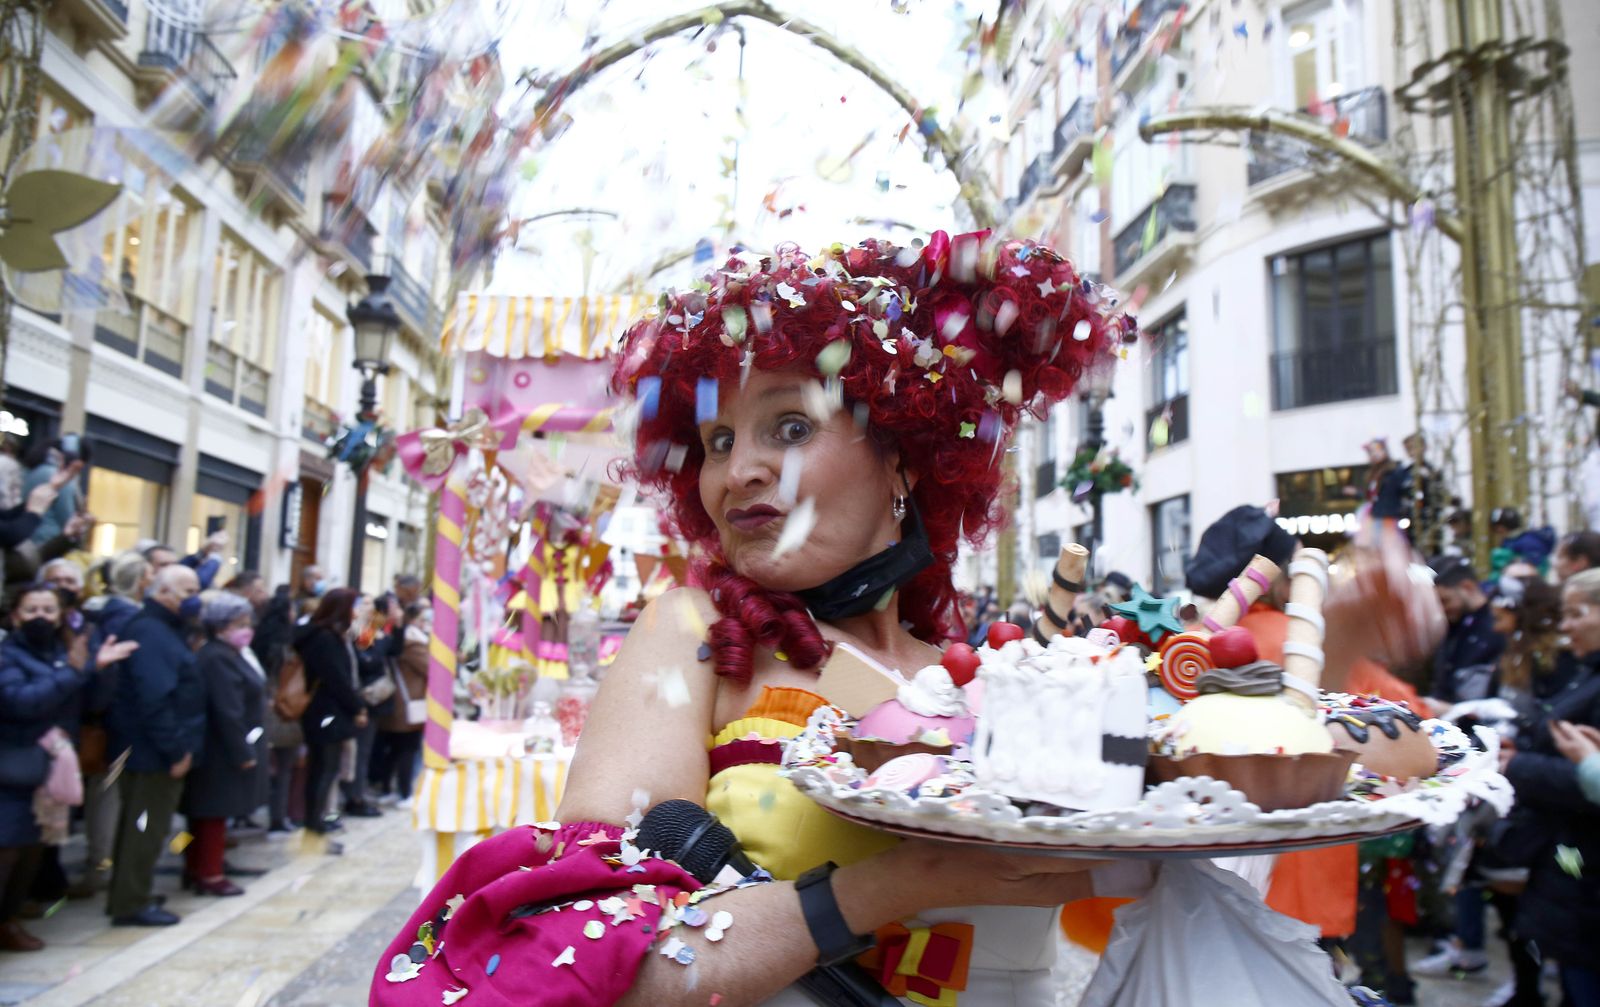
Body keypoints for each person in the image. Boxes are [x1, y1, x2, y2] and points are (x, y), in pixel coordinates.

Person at [370, 235, 1445, 1005]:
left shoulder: (1010, 683)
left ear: (902, 459)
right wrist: (898, 883)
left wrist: (1336, 637)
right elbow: (599, 960)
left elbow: (1250, 761)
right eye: (712, 440)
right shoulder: (694, 629)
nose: (736, 469)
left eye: (787, 423)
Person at [1185, 505, 1438, 1004]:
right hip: (1303, 877)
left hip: (1195, 883)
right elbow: (1410, 725)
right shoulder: (1305, 643)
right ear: (1283, 579)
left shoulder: (1184, 650)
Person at [0, 583, 135, 951]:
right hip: (13, 766)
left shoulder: (65, 652)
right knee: (7, 848)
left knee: (33, 847)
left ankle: (8, 920)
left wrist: (100, 669)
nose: (40, 617)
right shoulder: (7, 655)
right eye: (31, 610)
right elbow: (21, 702)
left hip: (53, 767)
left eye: (48, 610)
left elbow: (90, 702)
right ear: (15, 616)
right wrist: (76, 671)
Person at [1500, 568, 1600, 1006]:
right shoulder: (1586, 673)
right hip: (1574, 871)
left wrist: (1518, 765)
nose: (1565, 626)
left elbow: (1585, 781)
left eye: (1577, 613)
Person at [105, 564, 203, 926]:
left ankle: (133, 892)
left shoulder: (163, 630)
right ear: (163, 593)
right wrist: (175, 750)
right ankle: (131, 902)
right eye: (188, 590)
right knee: (144, 829)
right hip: (151, 753)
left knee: (146, 828)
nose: (195, 598)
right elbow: (155, 699)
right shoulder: (151, 631)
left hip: (153, 750)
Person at [70, 551, 151, 897]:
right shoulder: (129, 619)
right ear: (141, 582)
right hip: (116, 723)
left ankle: (100, 864)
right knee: (109, 796)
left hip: (95, 718)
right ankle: (101, 866)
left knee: (102, 795)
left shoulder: (96, 612)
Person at [180, 591, 268, 897]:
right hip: (219, 749)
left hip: (222, 745)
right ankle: (208, 872)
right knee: (210, 815)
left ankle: (200, 865)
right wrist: (242, 752)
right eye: (240, 623)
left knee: (209, 814)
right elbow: (228, 709)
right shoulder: (217, 657)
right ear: (222, 625)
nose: (247, 628)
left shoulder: (226, 654)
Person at [294, 588, 365, 851]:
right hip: (324, 714)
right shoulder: (324, 639)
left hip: (328, 712)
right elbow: (337, 679)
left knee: (325, 772)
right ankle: (313, 833)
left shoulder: (332, 636)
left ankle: (317, 828)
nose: (356, 613)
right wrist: (357, 706)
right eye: (353, 607)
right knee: (322, 772)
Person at [1429, 555, 1507, 709]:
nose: (1441, 609)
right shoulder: (1450, 625)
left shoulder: (1497, 626)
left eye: (1445, 600)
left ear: (1467, 587)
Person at [371, 603, 428, 806]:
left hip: (397, 702)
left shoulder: (397, 640)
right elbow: (430, 667)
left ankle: (388, 788)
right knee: (406, 749)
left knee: (395, 749)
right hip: (406, 704)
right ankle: (404, 792)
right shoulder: (412, 642)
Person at [19, 436, 84, 546]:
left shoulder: (29, 469)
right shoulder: (59, 476)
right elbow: (66, 518)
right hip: (47, 542)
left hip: (24, 537)